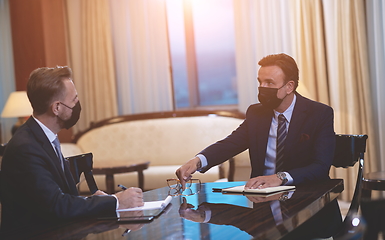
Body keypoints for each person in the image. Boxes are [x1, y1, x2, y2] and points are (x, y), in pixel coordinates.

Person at [0, 66, 144, 234]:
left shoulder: (44, 136)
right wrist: (116, 201)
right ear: (57, 108)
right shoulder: (26, 148)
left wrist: (96, 201)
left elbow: (64, 199)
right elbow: (57, 205)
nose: (77, 103)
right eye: (74, 99)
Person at [176, 53, 335, 189]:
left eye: (270, 83)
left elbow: (320, 167)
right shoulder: (256, 113)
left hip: (303, 194)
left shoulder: (319, 114)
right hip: (261, 197)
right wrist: (197, 161)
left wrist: (279, 178)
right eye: (260, 82)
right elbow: (230, 144)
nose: (262, 87)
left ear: (289, 86)